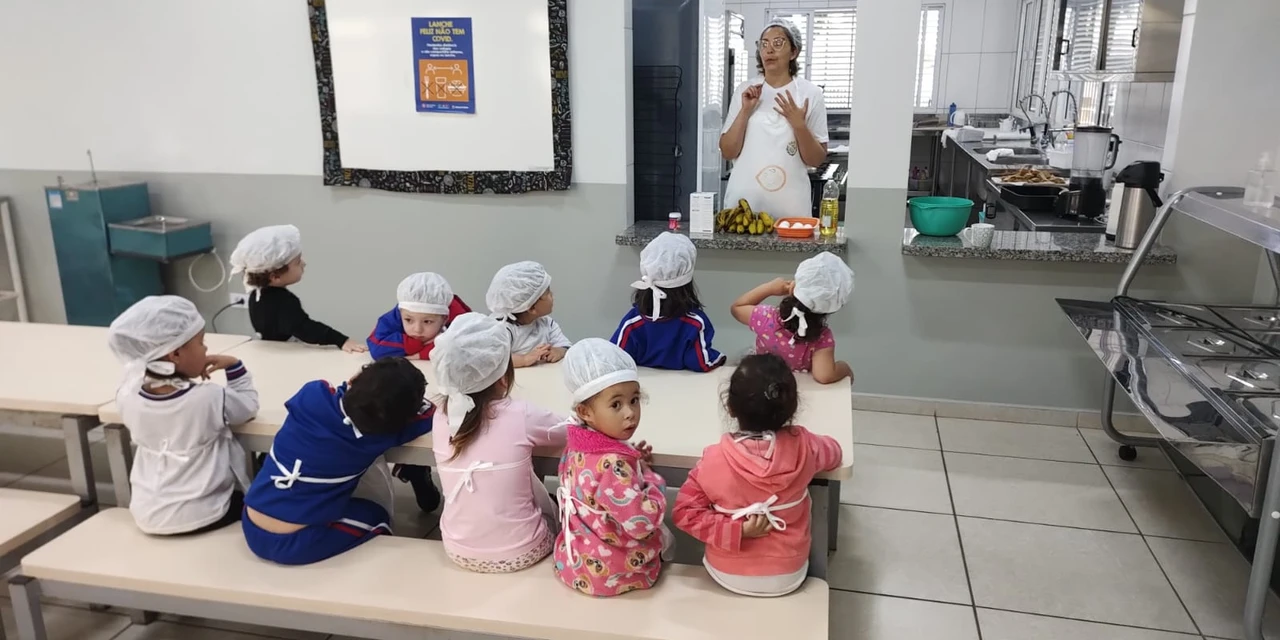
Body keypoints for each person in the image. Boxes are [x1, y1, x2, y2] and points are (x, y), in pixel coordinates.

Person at [673, 354, 842, 597]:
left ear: (730, 407)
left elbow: (684, 513)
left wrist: (738, 531)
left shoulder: (713, 459)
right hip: (789, 570)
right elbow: (835, 452)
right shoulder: (806, 445)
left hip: (726, 571)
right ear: (792, 407)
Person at [241, 357, 433, 565]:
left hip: (250, 521)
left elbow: (338, 391)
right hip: (297, 543)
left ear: (353, 379)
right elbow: (430, 414)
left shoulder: (312, 393)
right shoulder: (382, 436)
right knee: (378, 516)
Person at [108, 296, 259, 536]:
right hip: (204, 513)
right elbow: (248, 406)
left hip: (147, 513)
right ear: (175, 354)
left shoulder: (127, 395)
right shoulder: (208, 397)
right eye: (201, 342)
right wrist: (234, 366)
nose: (206, 349)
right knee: (263, 491)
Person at [431, 313, 568, 573]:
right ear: (504, 375)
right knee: (552, 505)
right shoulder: (521, 414)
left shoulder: (441, 415)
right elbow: (571, 430)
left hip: (457, 549)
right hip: (523, 551)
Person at [553, 339, 670, 597]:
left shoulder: (576, 444)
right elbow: (642, 523)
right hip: (612, 574)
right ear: (585, 411)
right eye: (616, 404)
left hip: (575, 562)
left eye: (634, 400)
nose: (630, 413)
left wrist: (632, 460)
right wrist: (651, 479)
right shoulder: (614, 465)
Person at [720, 19, 830, 219]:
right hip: (743, 208)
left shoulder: (810, 94)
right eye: (764, 44)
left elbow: (816, 159)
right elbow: (728, 151)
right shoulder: (745, 91)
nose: (769, 50)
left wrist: (799, 125)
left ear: (794, 52)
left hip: (791, 210)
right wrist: (745, 111)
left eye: (778, 43)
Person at [229, 224, 366, 353]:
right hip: (285, 355)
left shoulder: (256, 294)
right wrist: (341, 340)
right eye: (298, 261)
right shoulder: (283, 302)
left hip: (268, 350)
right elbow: (305, 329)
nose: (304, 263)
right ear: (275, 276)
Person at [730, 252, 854, 383]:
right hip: (793, 390)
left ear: (794, 287)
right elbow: (824, 375)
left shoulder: (766, 317)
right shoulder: (821, 338)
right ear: (831, 308)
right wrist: (845, 368)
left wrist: (769, 288)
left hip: (761, 383)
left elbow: (737, 308)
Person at [610, 233, 725, 372]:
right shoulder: (695, 323)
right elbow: (701, 363)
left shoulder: (632, 322)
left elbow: (615, 360)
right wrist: (719, 358)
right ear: (686, 285)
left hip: (642, 385)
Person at [366, 272, 471, 360]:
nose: (417, 330)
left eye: (427, 321)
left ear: (444, 319)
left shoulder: (460, 319)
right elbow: (377, 349)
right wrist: (416, 344)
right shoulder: (403, 310)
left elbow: (466, 346)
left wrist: (419, 355)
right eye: (408, 320)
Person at [486, 261, 571, 367]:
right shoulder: (502, 329)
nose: (552, 294)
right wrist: (524, 359)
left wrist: (559, 351)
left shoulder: (547, 323)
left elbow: (565, 345)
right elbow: (493, 359)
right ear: (532, 308)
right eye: (547, 293)